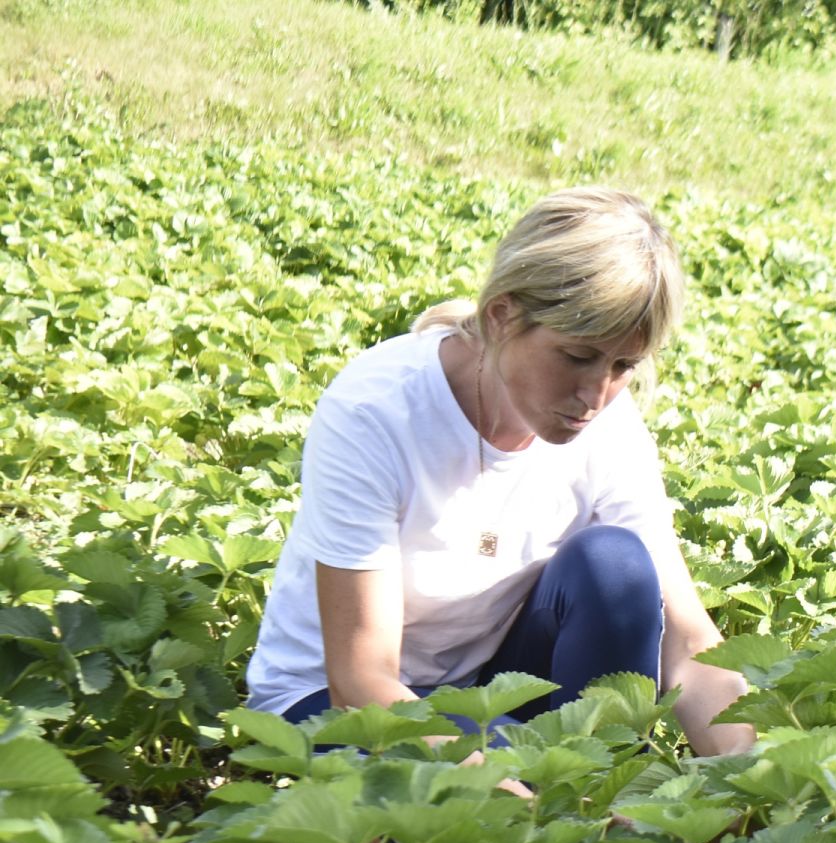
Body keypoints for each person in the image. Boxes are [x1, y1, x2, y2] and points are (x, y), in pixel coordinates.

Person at [245, 188, 753, 760]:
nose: (597, 395)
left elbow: (687, 638)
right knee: (532, 789)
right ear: (502, 315)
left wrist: (751, 778)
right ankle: (571, 803)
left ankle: (599, 777)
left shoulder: (609, 424)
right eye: (578, 356)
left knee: (614, 566)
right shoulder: (376, 412)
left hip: (487, 688)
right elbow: (360, 681)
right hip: (334, 703)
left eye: (623, 366)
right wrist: (508, 785)